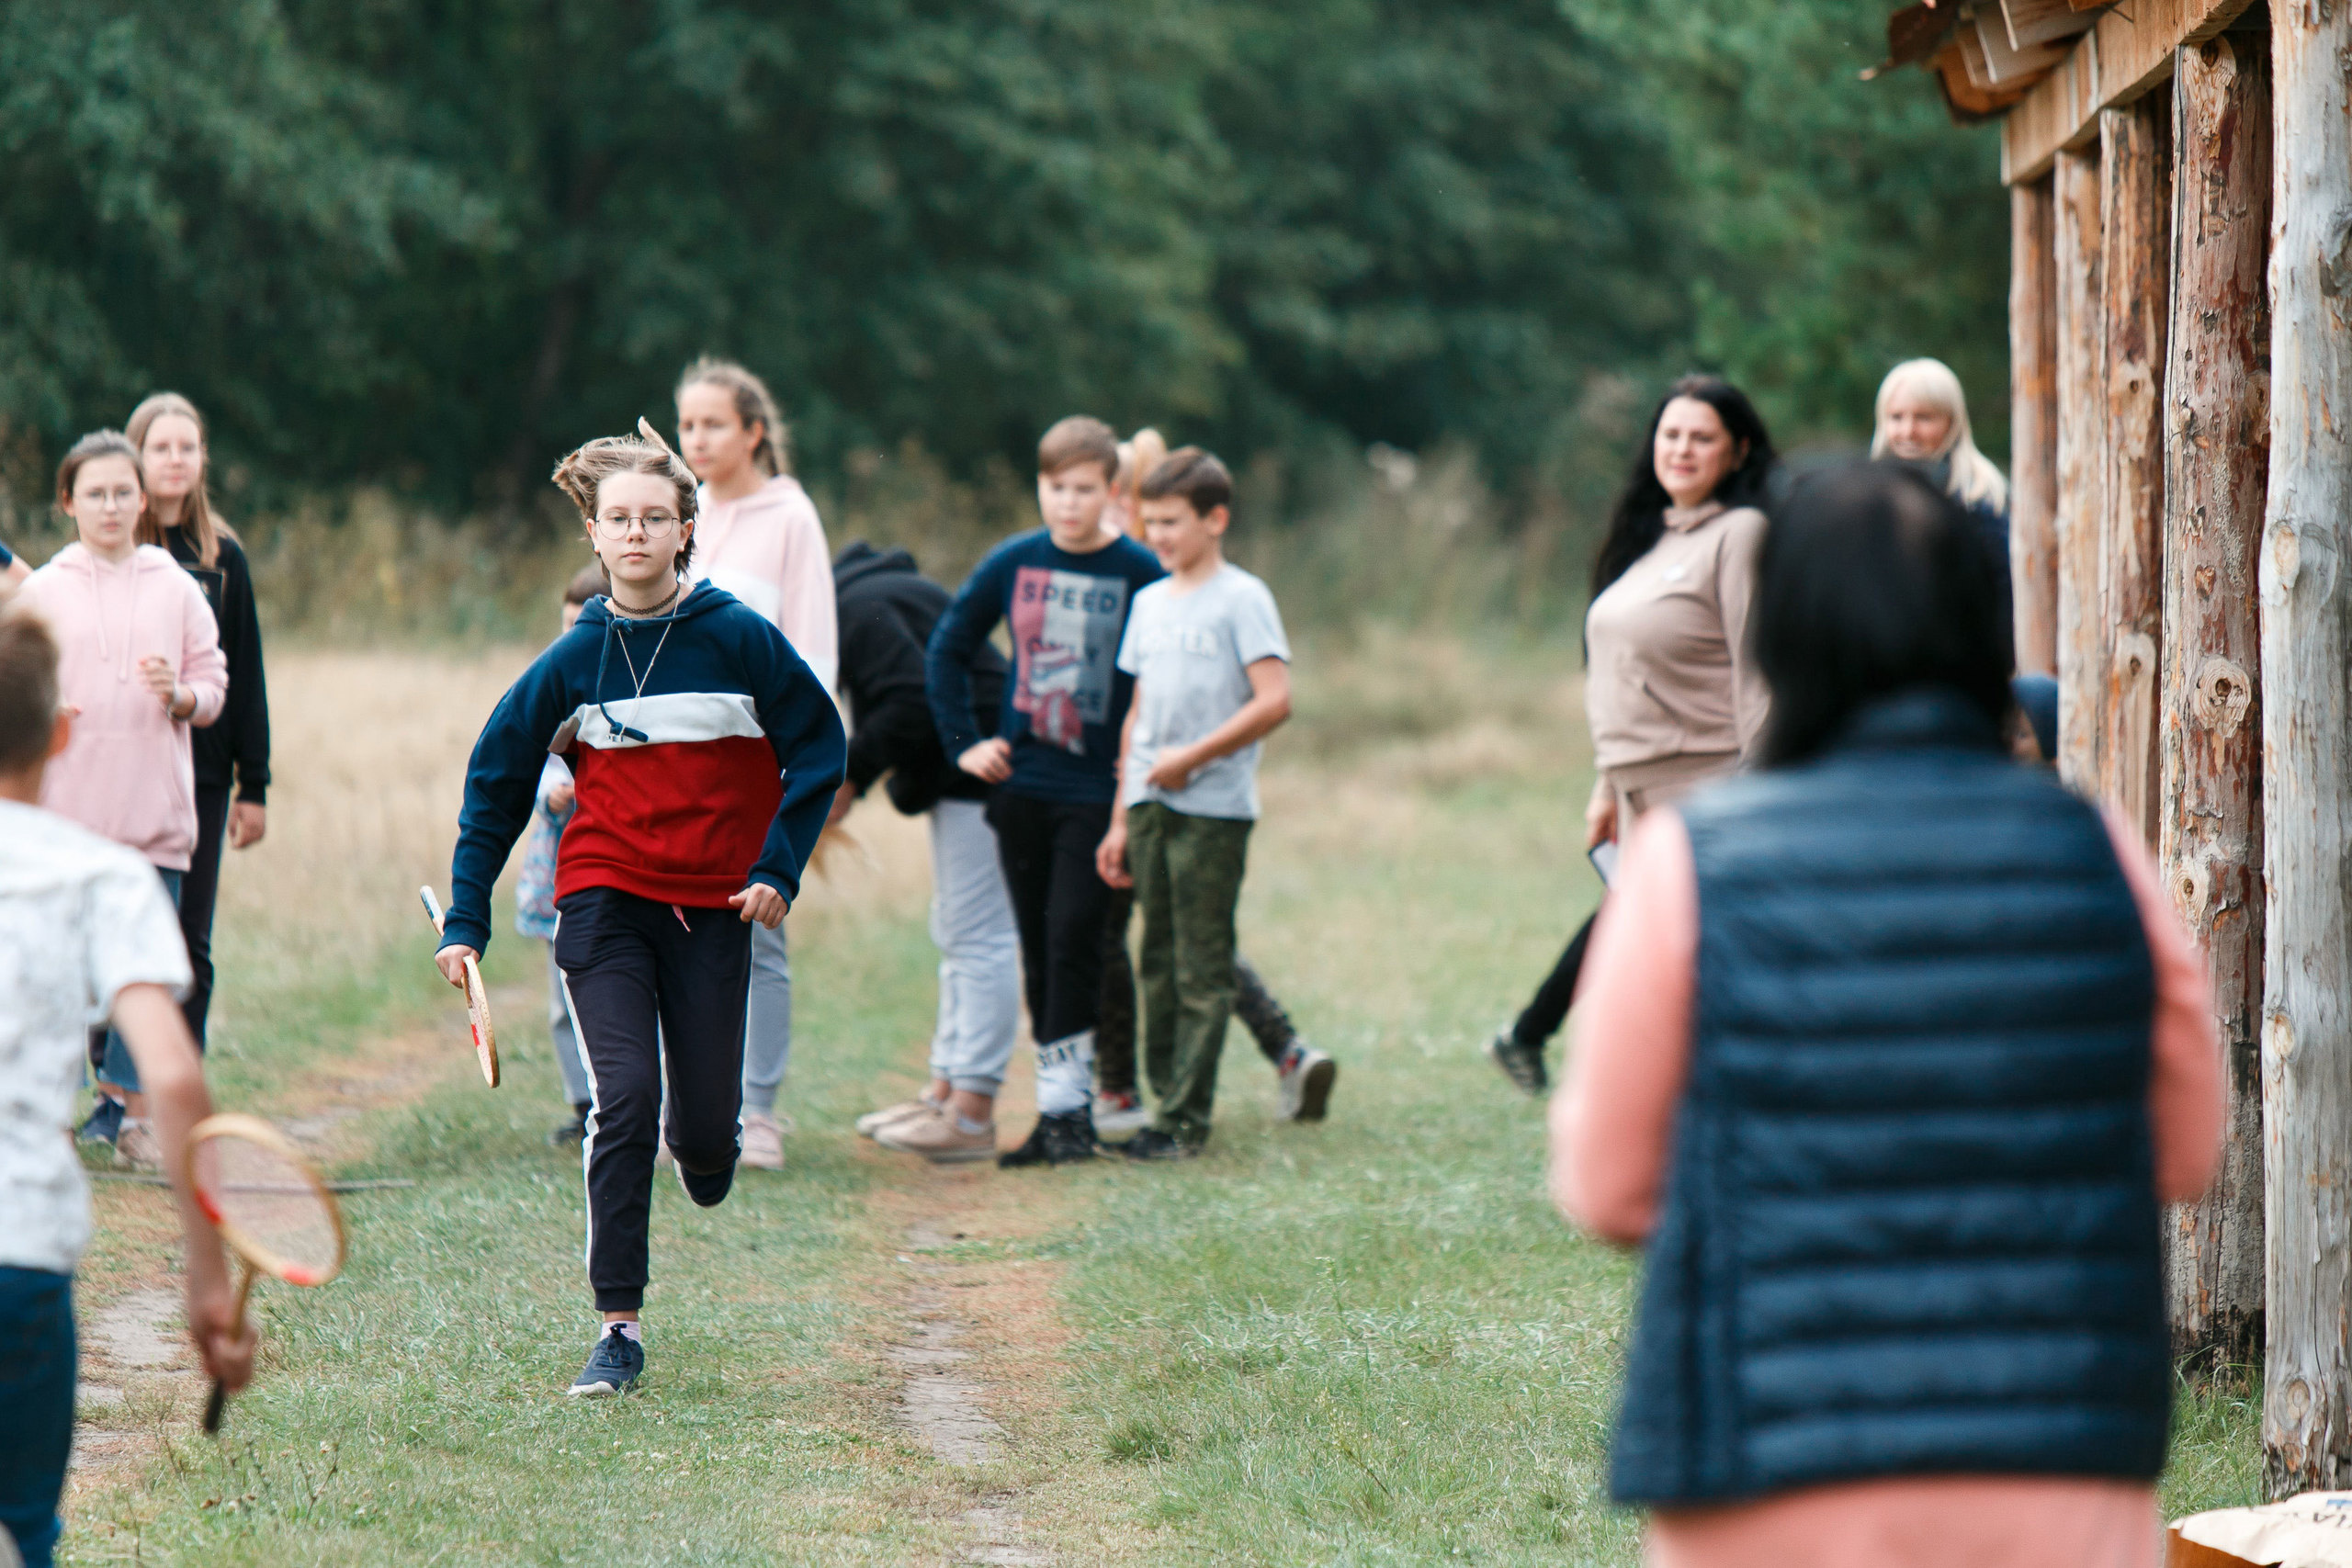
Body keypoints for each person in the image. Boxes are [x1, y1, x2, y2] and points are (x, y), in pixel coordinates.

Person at [1551, 461, 2222, 1568]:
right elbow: (2187, 1151)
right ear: (1976, 628)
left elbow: (1605, 1185)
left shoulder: (1688, 863)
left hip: (1761, 1466)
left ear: (1779, 634)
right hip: (2053, 1463)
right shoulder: (2094, 851)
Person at [433, 423, 843, 1397]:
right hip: (603, 896)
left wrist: (779, 869)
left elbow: (819, 749)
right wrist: (465, 919)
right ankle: (617, 1326)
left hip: (714, 905)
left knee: (702, 1142)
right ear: (593, 530)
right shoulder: (574, 659)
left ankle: (711, 1147)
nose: (635, 534)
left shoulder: (739, 638)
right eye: (617, 519)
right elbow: (495, 778)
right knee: (624, 1101)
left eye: (654, 518)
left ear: (684, 529)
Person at [0, 600, 254, 1568]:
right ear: (61, 735)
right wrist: (206, 1282)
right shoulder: (102, 878)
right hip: (20, 1254)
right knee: (22, 1531)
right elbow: (174, 1075)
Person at [1487, 376, 1776, 1096]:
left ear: (1738, 451)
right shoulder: (1652, 539)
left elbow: (1759, 676)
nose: (1682, 449)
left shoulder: (1741, 534)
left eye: (1702, 437)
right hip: (1637, 791)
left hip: (1707, 788)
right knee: (1654, 957)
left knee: (1695, 961)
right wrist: (1605, 786)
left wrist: (1756, 796)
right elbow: (1625, 672)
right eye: (1671, 434)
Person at [925, 415, 1165, 1168]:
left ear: (1112, 491)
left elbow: (1166, 678)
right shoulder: (1014, 560)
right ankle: (1059, 1118)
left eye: (1084, 489)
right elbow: (948, 647)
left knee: (1074, 938)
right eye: (1056, 487)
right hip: (1021, 787)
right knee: (1036, 946)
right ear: (1041, 486)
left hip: (1098, 791)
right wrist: (965, 743)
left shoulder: (1140, 572)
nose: (1068, 503)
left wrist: (1149, 770)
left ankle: (1070, 1114)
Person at [1092, 430, 1329, 1133]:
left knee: (1200, 965)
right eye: (1151, 521)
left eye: (1171, 522)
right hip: (1148, 804)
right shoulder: (1150, 602)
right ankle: (1165, 1103)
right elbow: (1136, 716)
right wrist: (1119, 818)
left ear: (1215, 519)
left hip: (1212, 809)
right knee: (1156, 960)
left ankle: (1184, 1119)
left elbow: (1274, 700)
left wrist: (1193, 757)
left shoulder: (1242, 598)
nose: (1157, 536)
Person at [17, 432, 228, 1169]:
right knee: (59, 979)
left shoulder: (176, 586)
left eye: (121, 492)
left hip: (152, 822)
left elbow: (213, 684)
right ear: (68, 501)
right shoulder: (42, 591)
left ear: (143, 501)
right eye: (94, 493)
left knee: (145, 976)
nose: (109, 506)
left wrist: (181, 695)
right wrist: (43, 711)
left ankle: (138, 1122)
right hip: (64, 825)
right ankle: (49, 1117)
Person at [675, 357, 839, 1172]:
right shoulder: (680, 512)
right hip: (676, 753)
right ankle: (689, 1106)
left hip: (758, 758)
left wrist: (807, 760)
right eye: (687, 425)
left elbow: (812, 641)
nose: (697, 439)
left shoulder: (790, 517)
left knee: (757, 932)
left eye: (713, 424)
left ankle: (760, 1110)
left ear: (753, 432)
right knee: (673, 930)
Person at [830, 541, 1021, 1163]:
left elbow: (910, 699)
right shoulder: (866, 596)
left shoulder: (853, 608)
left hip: (988, 767)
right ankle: (943, 1096)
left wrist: (852, 776)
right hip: (968, 770)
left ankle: (971, 1116)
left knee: (980, 937)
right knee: (958, 930)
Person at [129, 392, 271, 1054]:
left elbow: (245, 674)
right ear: (135, 456)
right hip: (121, 770)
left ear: (203, 458)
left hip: (204, 775)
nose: (175, 459)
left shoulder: (223, 557)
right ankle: (117, 1082)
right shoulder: (115, 549)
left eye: (187, 447)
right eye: (161, 447)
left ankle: (180, 1079)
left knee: (190, 934)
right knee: (124, 928)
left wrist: (254, 785)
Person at [517, 564, 607, 1148]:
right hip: (557, 877)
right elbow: (532, 762)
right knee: (562, 999)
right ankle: (582, 1103)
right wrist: (551, 792)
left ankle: (624, 1100)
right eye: (565, 626)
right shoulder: (553, 688)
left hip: (609, 871)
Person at [1872, 357, 2011, 635]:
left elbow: (2001, 597)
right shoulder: (1870, 493)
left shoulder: (1977, 496)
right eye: (1896, 417)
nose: (1908, 431)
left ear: (1952, 421)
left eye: (1924, 417)